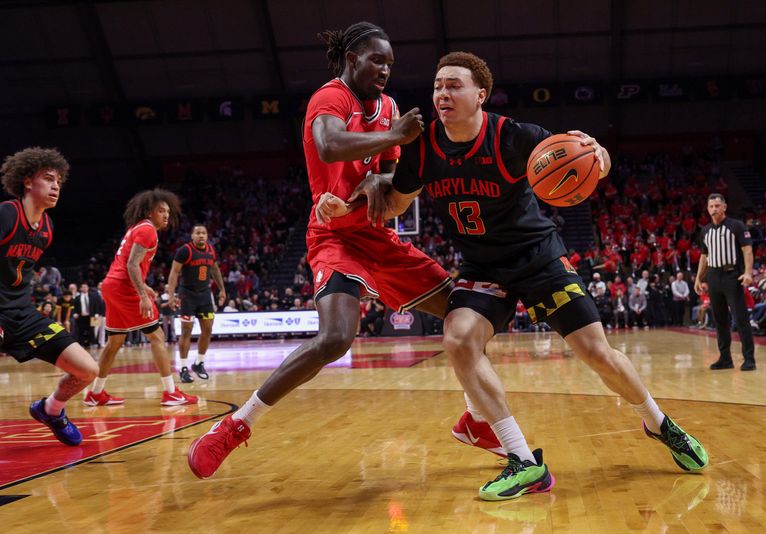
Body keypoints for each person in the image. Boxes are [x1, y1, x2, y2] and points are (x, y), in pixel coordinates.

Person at [326, 51, 707, 499]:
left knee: (595, 351)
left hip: (537, 257)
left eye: (454, 85)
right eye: (437, 86)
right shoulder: (423, 146)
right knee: (457, 337)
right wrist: (355, 198)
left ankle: (658, 423)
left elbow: (585, 157)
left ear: (480, 95)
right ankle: (524, 461)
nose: (442, 94)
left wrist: (598, 154)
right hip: (483, 266)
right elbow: (394, 203)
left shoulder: (514, 136)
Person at [187, 24, 516, 496]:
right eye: (375, 60)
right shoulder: (330, 98)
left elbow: (383, 182)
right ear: (350, 57)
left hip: (372, 233)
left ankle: (474, 420)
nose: (384, 70)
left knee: (467, 314)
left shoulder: (388, 108)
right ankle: (236, 426)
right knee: (336, 337)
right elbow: (329, 145)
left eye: (389, 64)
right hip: (333, 238)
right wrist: (394, 137)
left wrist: (364, 194)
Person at [0, 147, 99, 445]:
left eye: (59, 181)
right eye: (48, 179)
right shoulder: (6, 214)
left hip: (23, 313)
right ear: (28, 182)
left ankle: (51, 410)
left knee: (87, 370)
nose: (56, 186)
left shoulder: (47, 228)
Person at [85, 189, 198, 406]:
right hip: (123, 288)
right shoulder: (148, 230)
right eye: (161, 210)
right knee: (157, 336)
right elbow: (131, 264)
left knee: (115, 342)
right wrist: (141, 295)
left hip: (111, 285)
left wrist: (144, 286)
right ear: (149, 211)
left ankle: (95, 393)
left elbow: (126, 263)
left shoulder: (136, 228)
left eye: (167, 211)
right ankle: (171, 392)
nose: (166, 215)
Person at [695, 193, 756, 371]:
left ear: (724, 207)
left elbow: (747, 251)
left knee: (741, 319)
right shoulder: (705, 231)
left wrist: (748, 273)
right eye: (711, 206)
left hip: (731, 275)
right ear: (707, 209)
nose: (714, 209)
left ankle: (749, 358)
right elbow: (704, 256)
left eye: (717, 206)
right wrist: (699, 277)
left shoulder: (736, 226)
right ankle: (725, 358)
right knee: (720, 320)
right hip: (713, 277)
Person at [166, 224, 226, 383]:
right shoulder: (185, 250)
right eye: (198, 233)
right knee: (186, 331)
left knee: (208, 329)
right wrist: (171, 295)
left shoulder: (211, 250)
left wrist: (222, 289)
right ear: (192, 236)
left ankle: (199, 363)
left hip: (205, 294)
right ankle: (184, 367)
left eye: (204, 233)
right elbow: (174, 272)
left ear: (207, 236)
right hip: (187, 294)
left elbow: (215, 270)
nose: (201, 235)